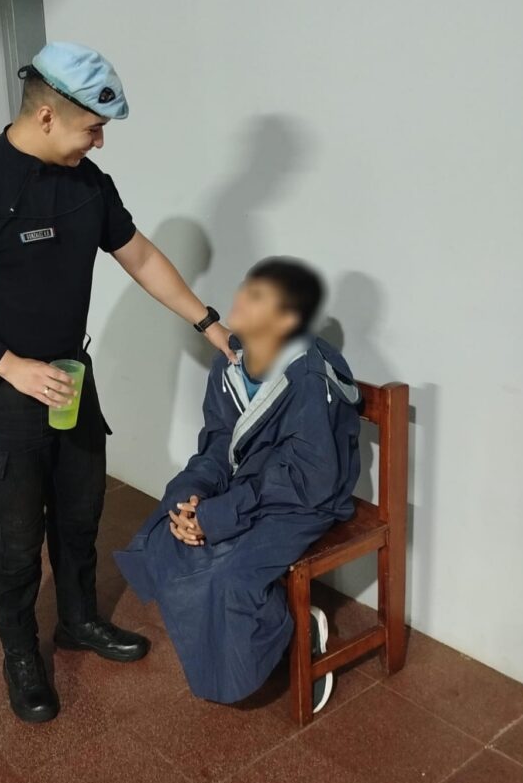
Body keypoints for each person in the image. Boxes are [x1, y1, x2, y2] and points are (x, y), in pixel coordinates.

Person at [0, 42, 236, 723]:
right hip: (3, 394)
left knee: (81, 513)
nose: (101, 140)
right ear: (50, 115)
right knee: (15, 534)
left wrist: (208, 322)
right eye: (94, 127)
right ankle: (21, 653)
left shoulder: (88, 184)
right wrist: (10, 366)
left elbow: (139, 255)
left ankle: (79, 619)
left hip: (70, 382)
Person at [114, 258, 361, 710]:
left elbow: (308, 477)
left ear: (286, 320)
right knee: (162, 536)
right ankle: (281, 622)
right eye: (247, 286)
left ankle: (298, 632)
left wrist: (216, 516)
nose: (241, 297)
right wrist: (190, 500)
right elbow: (215, 445)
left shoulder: (308, 376)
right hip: (252, 493)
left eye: (257, 296)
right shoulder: (229, 362)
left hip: (305, 501)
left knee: (229, 575)